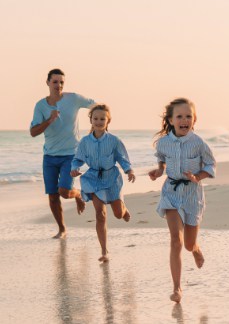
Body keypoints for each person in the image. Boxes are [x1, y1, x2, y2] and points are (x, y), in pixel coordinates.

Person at [148, 97, 216, 303]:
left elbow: (211, 165)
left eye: (188, 116)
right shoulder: (164, 142)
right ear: (170, 120)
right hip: (171, 192)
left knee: (188, 244)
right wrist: (159, 170)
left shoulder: (198, 143)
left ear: (194, 120)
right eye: (179, 116)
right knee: (176, 241)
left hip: (192, 195)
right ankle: (177, 289)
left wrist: (198, 177)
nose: (184, 120)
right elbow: (161, 157)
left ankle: (195, 249)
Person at [30, 68, 96, 239]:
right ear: (47, 83)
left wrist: (98, 124)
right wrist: (49, 120)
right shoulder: (40, 106)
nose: (58, 85)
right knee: (52, 196)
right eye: (55, 82)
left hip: (71, 154)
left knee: (64, 192)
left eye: (61, 82)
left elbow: (96, 106)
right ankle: (62, 229)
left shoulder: (73, 98)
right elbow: (33, 132)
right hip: (50, 156)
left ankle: (78, 194)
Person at [70, 104, 135, 263]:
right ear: (91, 120)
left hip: (111, 177)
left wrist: (129, 170)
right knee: (100, 214)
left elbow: (123, 158)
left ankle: (124, 210)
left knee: (118, 214)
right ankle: (104, 251)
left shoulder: (114, 141)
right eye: (95, 118)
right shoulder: (85, 142)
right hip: (93, 178)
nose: (99, 121)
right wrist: (74, 168)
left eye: (102, 119)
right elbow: (78, 158)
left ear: (108, 121)